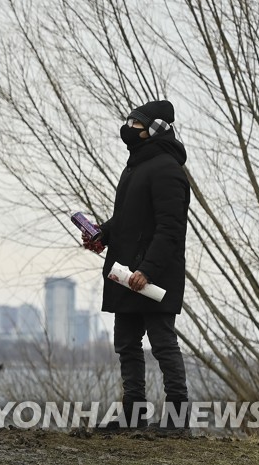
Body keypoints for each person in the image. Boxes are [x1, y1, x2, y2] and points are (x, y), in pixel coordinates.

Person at [83, 100, 189, 432]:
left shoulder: (168, 169)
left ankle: (178, 420)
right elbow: (129, 218)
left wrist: (150, 270)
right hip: (125, 273)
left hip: (151, 277)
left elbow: (171, 228)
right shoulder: (137, 166)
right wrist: (102, 233)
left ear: (156, 129)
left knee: (163, 344)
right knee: (127, 345)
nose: (128, 127)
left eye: (135, 123)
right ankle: (133, 416)